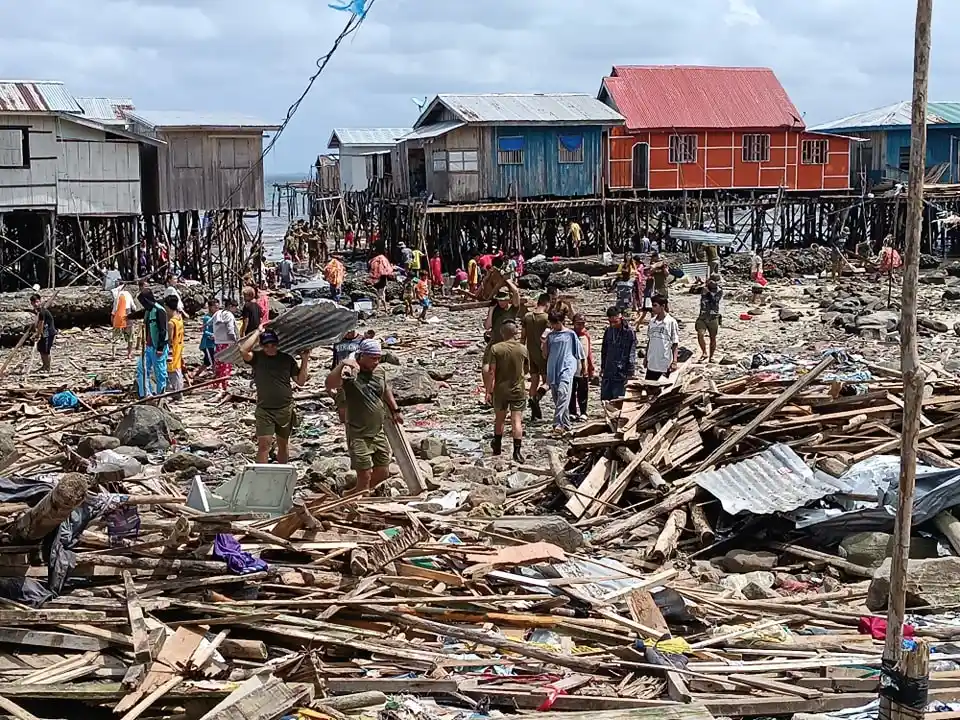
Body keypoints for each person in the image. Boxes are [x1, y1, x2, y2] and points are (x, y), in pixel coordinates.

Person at [326, 339, 402, 493]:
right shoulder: (351, 373)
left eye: (378, 358)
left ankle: (353, 494)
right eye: (373, 358)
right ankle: (359, 499)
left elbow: (386, 389)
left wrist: (395, 410)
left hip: (377, 431)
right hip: (358, 433)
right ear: (362, 356)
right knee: (364, 475)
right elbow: (330, 384)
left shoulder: (379, 372)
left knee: (383, 472)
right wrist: (342, 364)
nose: (376, 362)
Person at [240, 326, 310, 463]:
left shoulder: (286, 359)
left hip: (285, 408)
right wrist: (257, 332)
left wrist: (305, 360)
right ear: (262, 346)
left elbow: (300, 381)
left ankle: (282, 473)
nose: (270, 348)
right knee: (264, 444)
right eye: (267, 345)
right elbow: (243, 350)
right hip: (265, 409)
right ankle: (262, 476)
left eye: (273, 345)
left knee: (283, 444)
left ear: (277, 344)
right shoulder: (257, 358)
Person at [482, 321, 528, 462]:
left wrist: (488, 391)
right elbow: (526, 369)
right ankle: (517, 451)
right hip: (518, 390)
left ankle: (497, 447)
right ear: (515, 333)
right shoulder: (522, 349)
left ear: (502, 333)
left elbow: (491, 372)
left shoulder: (496, 349)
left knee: (500, 419)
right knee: (516, 421)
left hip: (501, 390)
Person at [543, 311, 586, 435]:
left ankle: (557, 423)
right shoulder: (551, 336)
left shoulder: (570, 334)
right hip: (553, 368)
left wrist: (583, 367)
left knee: (563, 393)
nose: (554, 326)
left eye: (555, 323)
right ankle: (566, 424)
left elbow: (580, 352)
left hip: (567, 367)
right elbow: (545, 354)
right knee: (557, 397)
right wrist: (544, 341)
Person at [482, 280, 521, 393]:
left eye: (503, 300)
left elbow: (516, 293)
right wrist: (491, 310)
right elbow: (487, 326)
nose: (501, 302)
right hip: (495, 341)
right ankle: (489, 393)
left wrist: (507, 281)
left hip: (508, 342)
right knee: (486, 368)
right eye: (499, 300)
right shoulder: (496, 309)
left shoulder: (512, 309)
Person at [521, 293, 550, 421]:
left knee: (534, 381)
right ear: (547, 303)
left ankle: (534, 411)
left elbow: (523, 337)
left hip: (530, 352)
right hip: (543, 354)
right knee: (547, 381)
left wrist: (522, 353)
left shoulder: (527, 316)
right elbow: (548, 337)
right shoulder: (546, 318)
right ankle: (537, 398)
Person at [136, 289, 168, 397]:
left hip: (158, 346)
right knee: (141, 369)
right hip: (148, 346)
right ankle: (145, 394)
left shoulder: (159, 311)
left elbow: (163, 331)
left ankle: (161, 395)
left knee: (160, 372)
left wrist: (160, 348)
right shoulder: (147, 312)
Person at [600, 307, 637, 401]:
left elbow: (631, 352)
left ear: (621, 318)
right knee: (606, 398)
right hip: (609, 369)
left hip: (621, 371)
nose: (613, 324)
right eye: (610, 322)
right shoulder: (608, 331)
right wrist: (603, 367)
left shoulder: (629, 332)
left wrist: (630, 371)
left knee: (618, 399)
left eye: (615, 322)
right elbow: (604, 350)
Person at [645, 295, 679, 381]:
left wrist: (674, 362)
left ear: (663, 306)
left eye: (655, 305)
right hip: (652, 362)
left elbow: (675, 343)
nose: (653, 308)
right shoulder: (652, 322)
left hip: (664, 363)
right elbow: (650, 341)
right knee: (648, 388)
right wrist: (646, 358)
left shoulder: (671, 322)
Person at [570, 313, 594, 420]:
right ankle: (572, 412)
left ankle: (583, 411)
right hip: (571, 368)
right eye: (578, 324)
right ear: (573, 323)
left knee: (583, 391)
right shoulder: (570, 335)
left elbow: (588, 353)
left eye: (582, 324)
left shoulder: (586, 336)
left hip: (583, 368)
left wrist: (591, 368)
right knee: (571, 391)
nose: (580, 326)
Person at [212, 298, 239, 389]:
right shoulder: (229, 315)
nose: (236, 310)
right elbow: (230, 329)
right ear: (231, 306)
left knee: (219, 363)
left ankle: (217, 383)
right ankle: (224, 384)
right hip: (227, 342)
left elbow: (209, 322)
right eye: (235, 307)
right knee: (226, 364)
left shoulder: (218, 313)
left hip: (218, 341)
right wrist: (235, 340)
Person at [696, 276, 723, 363]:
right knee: (700, 334)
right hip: (703, 316)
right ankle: (704, 352)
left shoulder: (719, 291)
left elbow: (714, 301)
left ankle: (711, 357)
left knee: (713, 338)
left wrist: (708, 293)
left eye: (714, 281)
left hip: (713, 317)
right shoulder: (705, 288)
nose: (711, 283)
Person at [164, 295, 185, 396]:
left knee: (172, 369)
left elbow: (170, 339)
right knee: (177, 368)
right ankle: (178, 391)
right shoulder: (179, 318)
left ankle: (177, 392)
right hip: (180, 345)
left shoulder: (171, 323)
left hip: (173, 348)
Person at [30, 294, 56, 373]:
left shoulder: (41, 311)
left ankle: (47, 367)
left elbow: (41, 323)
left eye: (37, 302)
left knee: (46, 350)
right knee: (41, 349)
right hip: (44, 332)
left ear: (40, 301)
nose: (36, 304)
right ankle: (44, 365)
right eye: (34, 303)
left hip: (48, 332)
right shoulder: (37, 311)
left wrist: (38, 334)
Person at [111, 284, 135, 359]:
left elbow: (114, 310)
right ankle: (129, 354)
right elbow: (133, 306)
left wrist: (112, 321)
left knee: (115, 338)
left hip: (118, 317)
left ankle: (114, 354)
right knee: (130, 337)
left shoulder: (117, 295)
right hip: (127, 315)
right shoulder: (128, 294)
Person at [369, 248, 393, 312]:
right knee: (381, 297)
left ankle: (381, 308)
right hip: (381, 284)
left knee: (380, 297)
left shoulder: (375, 261)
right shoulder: (383, 261)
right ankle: (383, 308)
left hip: (378, 284)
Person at [198, 298, 218, 372]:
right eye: (215, 307)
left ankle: (195, 374)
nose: (217, 309)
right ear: (210, 307)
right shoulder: (207, 318)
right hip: (207, 344)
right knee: (212, 361)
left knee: (207, 361)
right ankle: (216, 376)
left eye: (218, 307)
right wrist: (212, 335)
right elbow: (205, 331)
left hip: (213, 343)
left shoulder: (216, 317)